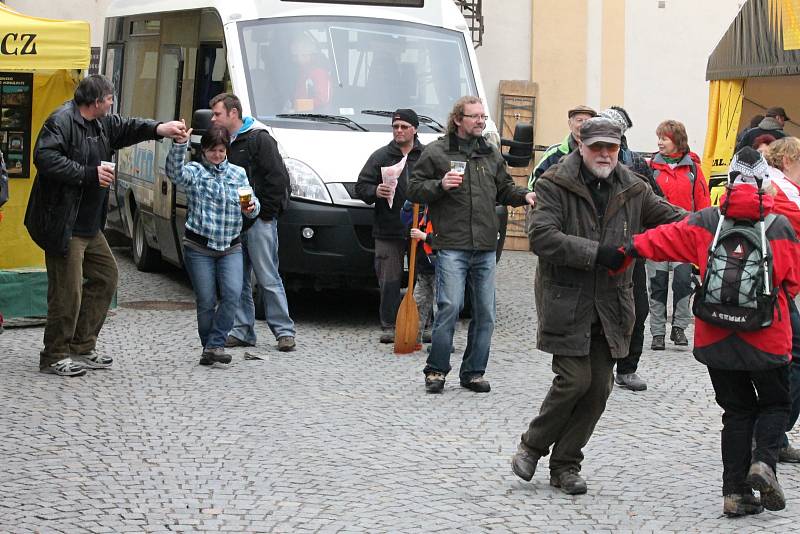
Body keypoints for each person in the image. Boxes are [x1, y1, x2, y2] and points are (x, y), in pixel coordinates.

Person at [511, 117, 684, 495]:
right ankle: (532, 444)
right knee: (574, 380)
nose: (605, 154)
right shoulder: (554, 182)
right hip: (566, 300)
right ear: (581, 146)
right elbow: (541, 236)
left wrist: (716, 222)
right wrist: (597, 253)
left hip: (612, 303)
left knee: (599, 388)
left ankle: (566, 464)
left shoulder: (633, 186)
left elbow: (671, 218)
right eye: (597, 147)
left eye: (612, 147)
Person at [623, 147, 800, 516]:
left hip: (716, 335)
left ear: (730, 183)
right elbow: (793, 281)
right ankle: (764, 463)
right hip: (767, 337)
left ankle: (734, 494)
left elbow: (659, 241)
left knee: (735, 412)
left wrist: (624, 250)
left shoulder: (707, 220)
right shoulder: (780, 225)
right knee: (775, 403)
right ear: (765, 184)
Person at [24, 74, 186, 377]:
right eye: (109, 98)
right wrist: (89, 174)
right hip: (64, 223)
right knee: (67, 292)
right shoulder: (61, 121)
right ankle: (55, 354)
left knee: (107, 278)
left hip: (89, 224)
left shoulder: (102, 124)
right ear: (96, 102)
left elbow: (127, 127)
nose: (112, 103)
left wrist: (159, 128)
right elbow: (44, 158)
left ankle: (82, 346)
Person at [407, 96, 536, 394]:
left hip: (485, 247)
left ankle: (473, 372)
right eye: (474, 116)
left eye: (482, 116)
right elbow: (413, 189)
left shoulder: (490, 153)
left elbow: (504, 188)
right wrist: (439, 185)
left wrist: (524, 195)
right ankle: (436, 370)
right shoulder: (437, 152)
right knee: (450, 306)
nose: (480, 121)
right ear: (458, 119)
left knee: (485, 313)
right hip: (451, 244)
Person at [209, 93, 297, 353]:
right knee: (238, 280)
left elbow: (277, 178)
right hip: (234, 222)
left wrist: (266, 214)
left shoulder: (259, 139)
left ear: (233, 114)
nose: (213, 119)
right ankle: (242, 330)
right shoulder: (224, 141)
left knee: (267, 276)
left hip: (259, 221)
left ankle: (284, 331)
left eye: (218, 114)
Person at [166, 124, 260, 366]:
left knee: (232, 293)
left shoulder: (238, 173)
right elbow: (174, 174)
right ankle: (211, 345)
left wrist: (251, 208)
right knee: (206, 300)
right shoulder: (196, 172)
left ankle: (215, 344)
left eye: (221, 150)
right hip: (199, 247)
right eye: (212, 150)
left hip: (231, 245)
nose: (217, 155)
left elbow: (252, 204)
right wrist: (179, 145)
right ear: (203, 151)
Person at [599, 106, 662, 392]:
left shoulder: (636, 163)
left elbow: (657, 201)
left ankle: (627, 368)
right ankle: (601, 368)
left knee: (639, 309)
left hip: (632, 248)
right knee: (598, 311)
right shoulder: (580, 162)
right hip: (596, 250)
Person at [356, 109, 424, 343]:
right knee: (388, 277)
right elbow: (361, 187)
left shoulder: (426, 156)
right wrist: (375, 190)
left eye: (404, 126)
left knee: (423, 277)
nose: (399, 131)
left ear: (414, 129)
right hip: (388, 226)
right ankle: (389, 324)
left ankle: (419, 322)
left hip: (419, 227)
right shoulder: (381, 156)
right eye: (395, 126)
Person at [647, 120, 710, 350]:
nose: (660, 142)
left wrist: (704, 233)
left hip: (685, 237)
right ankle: (657, 332)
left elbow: (702, 204)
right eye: (659, 138)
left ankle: (679, 328)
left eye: (664, 138)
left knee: (684, 283)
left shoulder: (693, 169)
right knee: (657, 283)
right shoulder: (651, 167)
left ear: (677, 140)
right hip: (657, 236)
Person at [765, 137, 800, 463]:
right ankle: (772, 435)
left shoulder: (779, 186)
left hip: (777, 287)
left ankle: (775, 435)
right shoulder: (783, 190)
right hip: (776, 288)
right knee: (793, 355)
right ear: (788, 159)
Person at [528, 105, 596, 190]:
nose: (583, 125)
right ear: (570, 124)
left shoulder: (598, 153)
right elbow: (534, 183)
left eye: (587, 121)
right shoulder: (554, 153)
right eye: (579, 120)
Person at [289, 34, 331, 111]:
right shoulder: (302, 71)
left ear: (311, 55)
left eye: (303, 55)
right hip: (300, 115)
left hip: (313, 117)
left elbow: (322, 100)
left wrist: (297, 106)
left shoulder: (318, 72)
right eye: (294, 56)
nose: (298, 59)